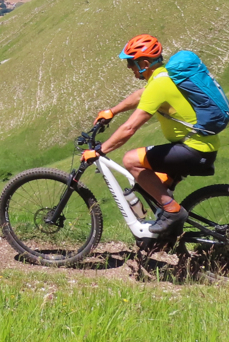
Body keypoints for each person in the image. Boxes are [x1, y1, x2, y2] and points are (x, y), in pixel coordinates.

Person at [92, 34, 218, 236]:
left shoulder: (159, 85)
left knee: (131, 160)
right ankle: (164, 238)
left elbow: (129, 128)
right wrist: (112, 111)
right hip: (201, 147)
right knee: (148, 186)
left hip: (193, 150)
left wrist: (100, 150)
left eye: (131, 63)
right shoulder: (163, 77)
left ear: (143, 63)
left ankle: (172, 211)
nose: (129, 68)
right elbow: (140, 95)